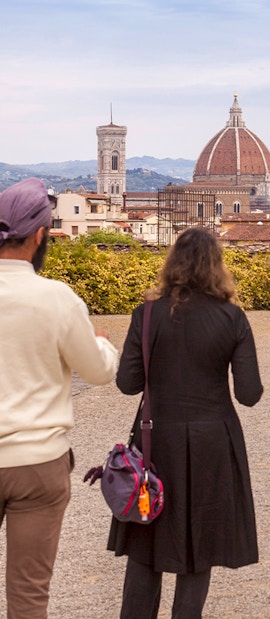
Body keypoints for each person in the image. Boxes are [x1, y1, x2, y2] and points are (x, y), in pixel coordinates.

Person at [108, 226, 263, 619]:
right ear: (217, 267)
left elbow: (128, 384)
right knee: (200, 544)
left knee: (146, 538)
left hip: (156, 439)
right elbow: (249, 393)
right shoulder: (232, 318)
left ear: (172, 265)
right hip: (213, 440)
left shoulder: (147, 315)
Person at [0, 178, 118, 619]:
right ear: (39, 236)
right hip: (38, 464)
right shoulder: (57, 299)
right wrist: (101, 341)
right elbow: (99, 372)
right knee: (29, 594)